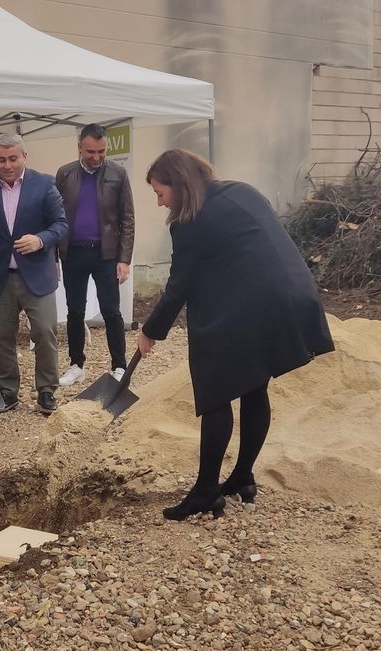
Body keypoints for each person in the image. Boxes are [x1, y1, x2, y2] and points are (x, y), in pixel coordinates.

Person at [137, 149, 335, 521]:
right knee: (253, 385)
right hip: (290, 295)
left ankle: (206, 491)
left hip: (251, 305)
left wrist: (150, 331)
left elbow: (179, 284)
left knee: (216, 393)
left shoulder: (190, 220)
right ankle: (243, 477)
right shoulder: (242, 191)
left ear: (179, 185)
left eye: (160, 193)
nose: (160, 203)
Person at [0, 134, 69, 415]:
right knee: (2, 336)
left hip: (37, 275)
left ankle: (47, 390)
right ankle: (7, 391)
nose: (7, 165)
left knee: (45, 333)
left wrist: (40, 240)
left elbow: (61, 224)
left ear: (24, 157)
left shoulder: (45, 184)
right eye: (1, 159)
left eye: (13, 158)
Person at [54, 124, 135, 386]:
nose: (97, 157)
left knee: (111, 311)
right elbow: (55, 215)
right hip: (73, 253)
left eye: (101, 151)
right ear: (79, 147)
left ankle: (119, 366)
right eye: (91, 151)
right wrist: (54, 255)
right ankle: (76, 364)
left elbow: (127, 218)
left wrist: (124, 259)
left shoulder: (118, 174)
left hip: (106, 255)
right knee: (74, 310)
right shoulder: (65, 174)